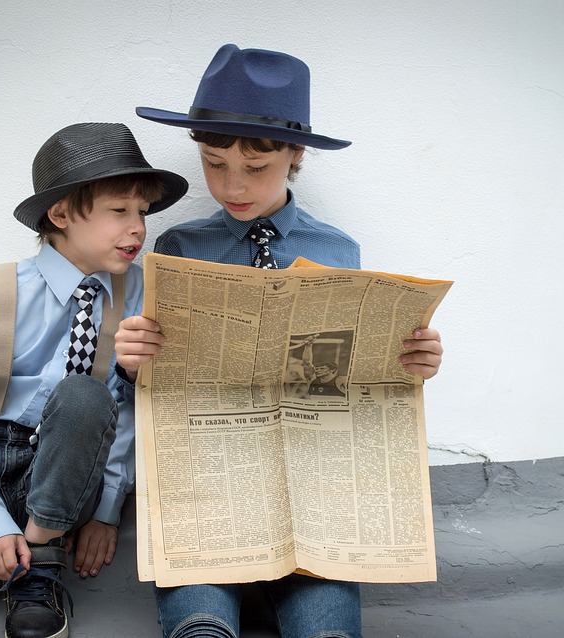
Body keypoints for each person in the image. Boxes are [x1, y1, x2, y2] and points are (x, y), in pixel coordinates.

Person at [116, 45, 443, 638]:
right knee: (200, 626)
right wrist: (135, 362)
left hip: (313, 498)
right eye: (213, 164)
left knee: (327, 630)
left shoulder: (338, 252)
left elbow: (349, 383)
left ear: (295, 155)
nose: (231, 185)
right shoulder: (178, 249)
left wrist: (409, 363)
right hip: (207, 491)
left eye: (255, 168)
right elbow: (158, 387)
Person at [0, 122, 188, 638]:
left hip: (72, 469)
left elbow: (132, 409)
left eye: (142, 212)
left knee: (84, 394)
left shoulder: (141, 292)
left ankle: (40, 564)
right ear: (60, 214)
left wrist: (108, 511)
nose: (138, 227)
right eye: (120, 211)